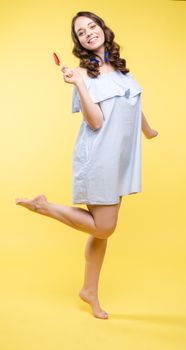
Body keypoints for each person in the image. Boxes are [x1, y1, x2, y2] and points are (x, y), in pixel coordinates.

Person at [15, 11, 158, 320]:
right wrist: (79, 83)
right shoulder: (85, 73)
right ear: (78, 42)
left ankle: (89, 289)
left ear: (103, 29)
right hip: (99, 157)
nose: (89, 32)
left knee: (101, 233)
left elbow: (132, 101)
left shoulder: (118, 68)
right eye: (81, 32)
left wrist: (147, 130)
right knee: (105, 226)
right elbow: (95, 121)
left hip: (120, 159)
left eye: (92, 26)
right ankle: (45, 207)